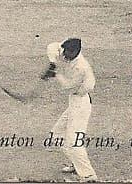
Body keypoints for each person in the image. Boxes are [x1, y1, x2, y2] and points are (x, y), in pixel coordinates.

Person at [40, 38, 97, 182]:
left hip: (81, 102)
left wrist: (56, 74)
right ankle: (76, 164)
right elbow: (51, 46)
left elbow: (69, 87)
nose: (65, 56)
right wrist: (53, 63)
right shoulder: (62, 50)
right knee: (57, 134)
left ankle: (89, 175)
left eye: (69, 54)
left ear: (77, 53)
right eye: (65, 52)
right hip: (74, 101)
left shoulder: (81, 67)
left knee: (74, 142)